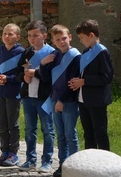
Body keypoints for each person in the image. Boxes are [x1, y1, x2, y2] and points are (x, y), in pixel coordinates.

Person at [39, 24, 81, 176]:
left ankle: (75, 166)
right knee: (61, 135)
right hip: (55, 99)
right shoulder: (55, 56)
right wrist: (43, 64)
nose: (62, 42)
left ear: (70, 37)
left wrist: (62, 100)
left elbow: (72, 83)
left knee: (70, 135)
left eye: (64, 38)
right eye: (58, 40)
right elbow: (46, 79)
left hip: (68, 101)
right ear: (53, 41)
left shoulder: (75, 56)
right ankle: (63, 164)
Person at [16, 20, 55, 173]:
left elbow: (51, 76)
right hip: (28, 97)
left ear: (44, 36)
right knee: (29, 129)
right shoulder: (27, 52)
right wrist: (23, 78)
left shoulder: (52, 53)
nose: (32, 39)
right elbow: (18, 72)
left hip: (44, 96)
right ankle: (30, 160)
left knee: (47, 130)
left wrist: (35, 73)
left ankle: (47, 161)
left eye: (36, 35)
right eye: (30, 36)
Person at [69, 19, 113, 152]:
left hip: (97, 100)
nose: (81, 40)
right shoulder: (86, 51)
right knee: (88, 134)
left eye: (82, 37)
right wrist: (78, 80)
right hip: (84, 99)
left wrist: (84, 81)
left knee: (100, 134)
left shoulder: (102, 52)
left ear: (91, 35)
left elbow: (106, 77)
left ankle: (105, 165)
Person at [0, 23, 24, 166]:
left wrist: (8, 79)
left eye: (10, 34)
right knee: (2, 123)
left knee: (13, 123)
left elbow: (21, 74)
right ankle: (4, 151)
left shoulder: (21, 52)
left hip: (13, 92)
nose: (7, 36)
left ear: (17, 36)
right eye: (5, 33)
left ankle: (13, 153)